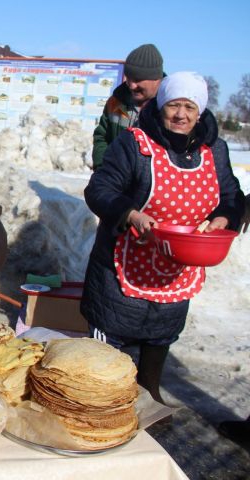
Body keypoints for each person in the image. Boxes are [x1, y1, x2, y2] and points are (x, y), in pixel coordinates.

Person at [81, 72, 245, 404]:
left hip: (178, 266)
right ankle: (100, 406)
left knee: (161, 336)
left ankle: (150, 397)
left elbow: (231, 195)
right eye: (173, 105)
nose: (181, 115)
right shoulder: (134, 143)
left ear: (200, 112)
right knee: (106, 368)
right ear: (161, 105)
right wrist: (130, 214)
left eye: (189, 107)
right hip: (122, 266)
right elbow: (99, 189)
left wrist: (224, 217)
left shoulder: (215, 151)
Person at [92, 44, 164, 170]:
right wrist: (102, 169)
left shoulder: (172, 109)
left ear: (157, 79)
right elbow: (102, 137)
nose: (131, 85)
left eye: (137, 79)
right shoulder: (115, 102)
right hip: (115, 182)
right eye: (128, 78)